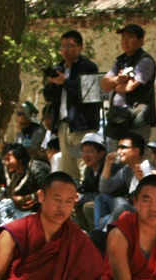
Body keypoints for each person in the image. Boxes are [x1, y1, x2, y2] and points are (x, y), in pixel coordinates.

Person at [43, 30, 102, 180]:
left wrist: (65, 82)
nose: (65, 50)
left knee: (85, 165)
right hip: (63, 124)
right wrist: (51, 84)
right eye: (63, 46)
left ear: (80, 48)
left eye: (70, 46)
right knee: (67, 168)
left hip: (83, 125)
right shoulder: (59, 68)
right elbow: (49, 97)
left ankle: (88, 192)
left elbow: (89, 94)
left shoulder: (88, 67)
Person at [100, 24, 156, 148]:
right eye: (123, 38)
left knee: (135, 156)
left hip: (136, 120)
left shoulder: (145, 61)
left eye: (130, 37)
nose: (125, 41)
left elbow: (128, 87)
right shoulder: (121, 61)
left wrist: (114, 85)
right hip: (117, 118)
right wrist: (118, 79)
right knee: (114, 157)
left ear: (141, 40)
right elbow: (104, 84)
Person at [0, 143, 51, 240]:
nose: (6, 163)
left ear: (19, 159)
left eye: (8, 159)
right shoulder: (15, 173)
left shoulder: (36, 168)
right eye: (4, 160)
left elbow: (49, 189)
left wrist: (28, 198)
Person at [94, 133, 146, 229]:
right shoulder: (125, 170)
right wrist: (107, 164)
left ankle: (99, 232)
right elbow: (104, 189)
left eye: (123, 147)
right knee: (101, 198)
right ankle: (98, 230)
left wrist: (142, 180)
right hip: (126, 207)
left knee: (118, 204)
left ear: (136, 151)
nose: (118, 151)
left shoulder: (147, 167)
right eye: (118, 148)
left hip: (139, 212)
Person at [75, 133, 123, 232]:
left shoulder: (110, 167)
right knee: (77, 203)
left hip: (111, 202)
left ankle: (96, 234)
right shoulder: (88, 170)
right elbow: (87, 188)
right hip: (95, 199)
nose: (85, 155)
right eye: (83, 152)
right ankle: (84, 233)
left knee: (88, 207)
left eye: (89, 151)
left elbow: (106, 193)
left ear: (101, 154)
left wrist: (84, 197)